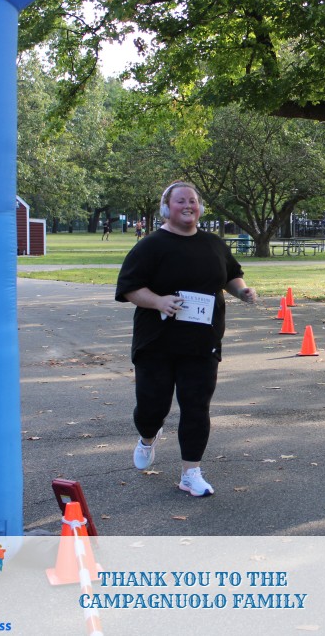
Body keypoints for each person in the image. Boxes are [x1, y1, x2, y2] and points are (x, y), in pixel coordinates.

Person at [116, 181, 257, 498]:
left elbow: (231, 275)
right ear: (166, 208)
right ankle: (148, 436)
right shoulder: (150, 246)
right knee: (152, 406)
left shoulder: (213, 244)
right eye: (180, 201)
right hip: (157, 343)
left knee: (196, 406)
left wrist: (242, 291)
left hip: (201, 342)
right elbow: (129, 287)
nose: (188, 205)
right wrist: (158, 301)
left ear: (200, 207)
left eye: (192, 200)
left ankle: (190, 473)